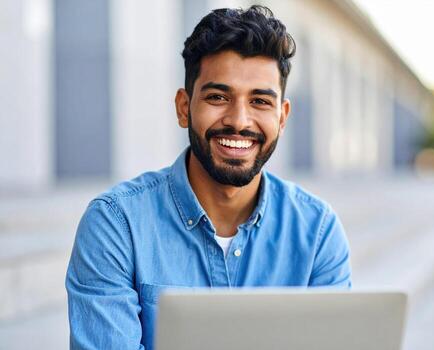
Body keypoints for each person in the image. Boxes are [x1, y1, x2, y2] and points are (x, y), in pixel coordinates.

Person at [66, 5, 351, 349]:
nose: (239, 121)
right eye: (218, 97)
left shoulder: (317, 231)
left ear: (282, 116)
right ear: (184, 107)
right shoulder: (116, 224)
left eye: (260, 101)